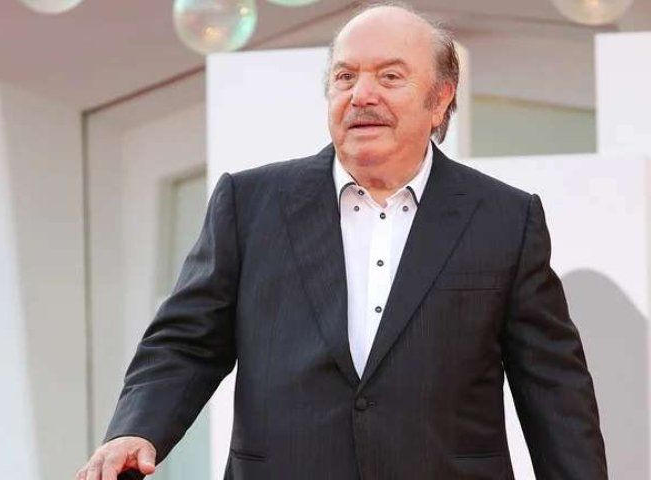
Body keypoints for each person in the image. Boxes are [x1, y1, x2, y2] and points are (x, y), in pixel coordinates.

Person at [76, 3, 607, 479]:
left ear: (441, 97)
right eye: (345, 76)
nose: (362, 95)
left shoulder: (505, 217)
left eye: (390, 76)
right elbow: (187, 341)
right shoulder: (250, 202)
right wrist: (136, 429)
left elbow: (553, 386)